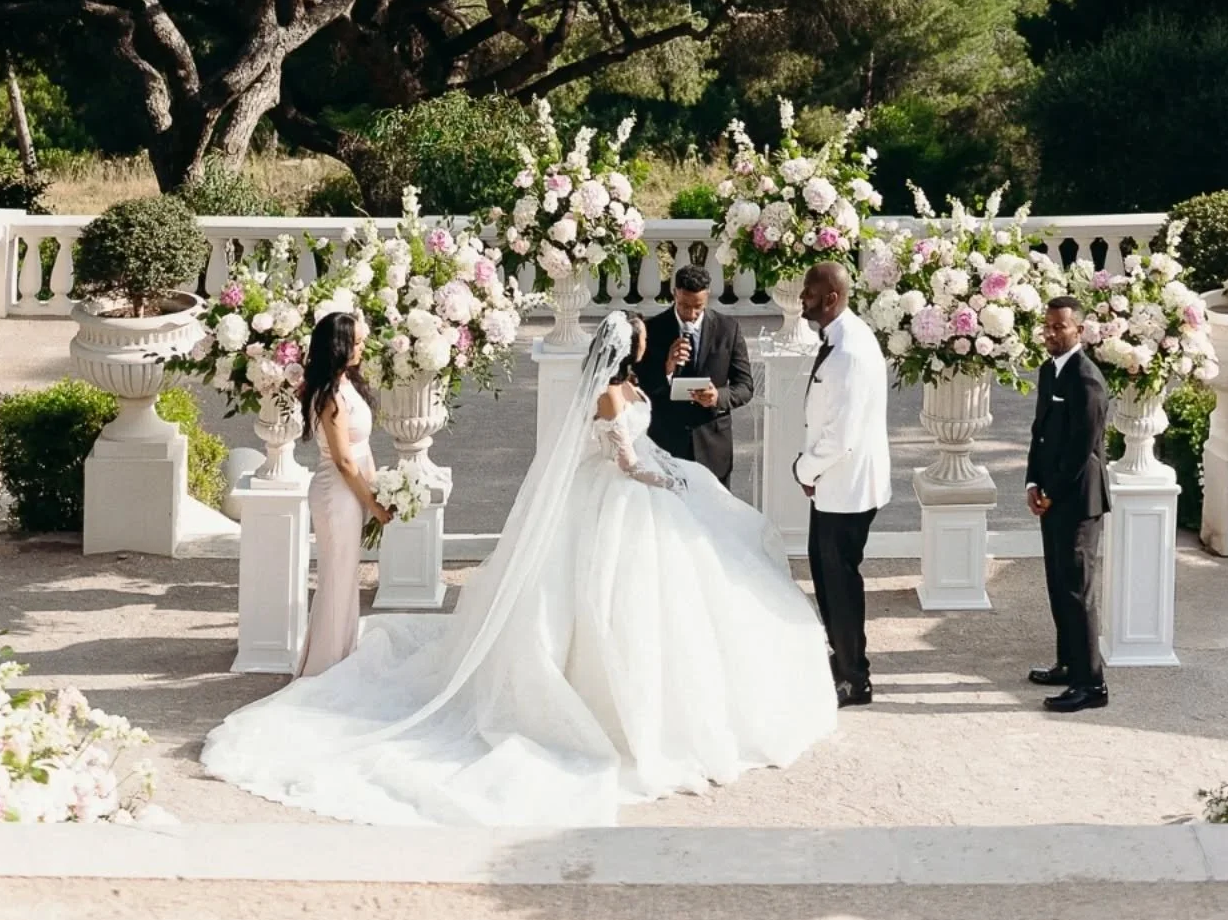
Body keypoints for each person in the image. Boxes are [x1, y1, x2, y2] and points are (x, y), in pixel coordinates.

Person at [202, 312, 835, 825]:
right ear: (624, 355)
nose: (647, 351)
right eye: (641, 346)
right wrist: (668, 477)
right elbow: (626, 460)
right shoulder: (611, 398)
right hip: (619, 496)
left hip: (622, 501)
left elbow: (636, 431)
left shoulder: (625, 389)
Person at [793, 261, 891, 709]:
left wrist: (804, 470)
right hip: (834, 486)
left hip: (845, 488)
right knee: (827, 577)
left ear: (831, 297)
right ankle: (842, 662)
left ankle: (855, 677)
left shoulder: (850, 350)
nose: (802, 300)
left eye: (809, 294)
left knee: (840, 584)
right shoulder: (841, 336)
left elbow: (842, 436)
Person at [1025, 295, 1111, 713]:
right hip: (1052, 494)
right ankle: (1067, 663)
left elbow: (1081, 449)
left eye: (1060, 327)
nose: (1051, 333)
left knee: (1079, 591)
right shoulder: (1048, 371)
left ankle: (1091, 684)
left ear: (1079, 329)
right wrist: (1032, 482)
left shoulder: (1088, 379)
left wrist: (1052, 491)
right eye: (1048, 326)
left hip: (1078, 499)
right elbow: (1039, 433)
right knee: (1058, 584)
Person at [295, 310, 391, 678]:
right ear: (339, 347)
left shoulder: (348, 385)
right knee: (337, 577)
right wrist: (373, 504)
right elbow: (344, 461)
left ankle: (341, 654)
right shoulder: (331, 397)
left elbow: (362, 448)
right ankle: (325, 667)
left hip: (354, 493)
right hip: (337, 495)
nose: (363, 348)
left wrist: (380, 489)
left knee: (347, 576)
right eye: (357, 342)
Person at [638, 263, 753, 489]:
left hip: (712, 445)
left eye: (698, 307)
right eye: (683, 306)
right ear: (674, 293)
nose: (690, 314)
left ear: (708, 297)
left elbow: (745, 386)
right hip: (666, 441)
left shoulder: (728, 329)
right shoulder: (652, 329)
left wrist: (717, 397)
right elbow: (640, 386)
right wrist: (667, 369)